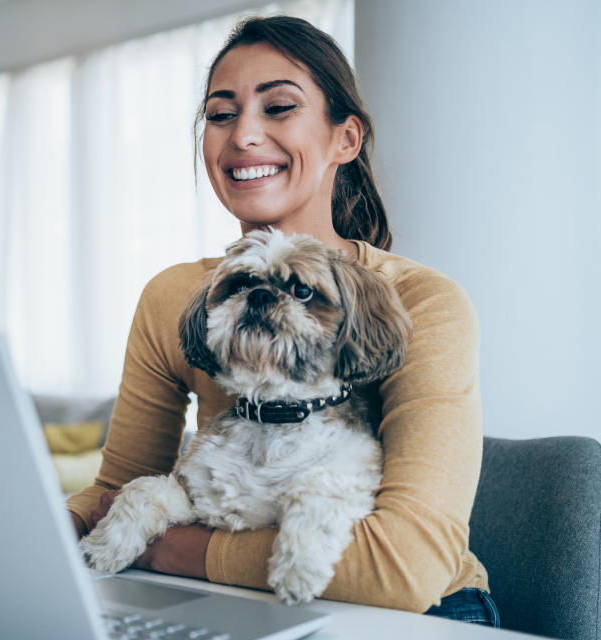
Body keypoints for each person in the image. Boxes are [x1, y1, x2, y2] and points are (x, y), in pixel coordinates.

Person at [67, 15, 499, 627]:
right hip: (232, 600)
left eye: (278, 107)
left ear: (344, 139)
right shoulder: (177, 297)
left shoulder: (423, 301)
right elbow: (121, 486)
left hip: (427, 613)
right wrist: (48, 528)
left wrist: (173, 548)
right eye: (221, 114)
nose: (244, 135)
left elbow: (405, 571)